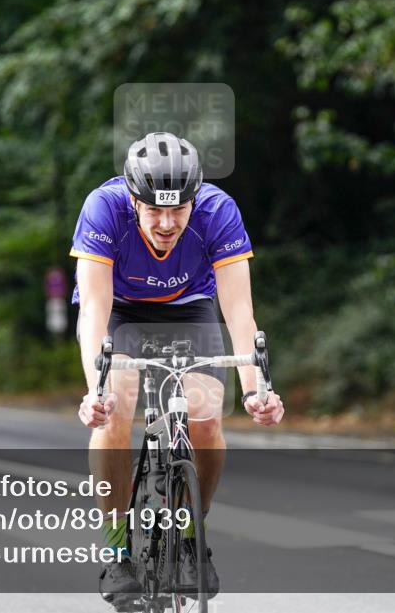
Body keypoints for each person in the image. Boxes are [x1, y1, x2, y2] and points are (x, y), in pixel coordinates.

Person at [71, 132, 285, 603]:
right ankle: (116, 553)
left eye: (178, 211)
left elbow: (239, 311)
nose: (167, 223)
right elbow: (93, 309)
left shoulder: (218, 210)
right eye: (153, 211)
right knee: (117, 405)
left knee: (207, 418)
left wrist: (257, 390)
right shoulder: (103, 208)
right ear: (133, 200)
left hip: (188, 307)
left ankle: (192, 539)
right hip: (121, 310)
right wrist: (96, 391)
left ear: (194, 201)